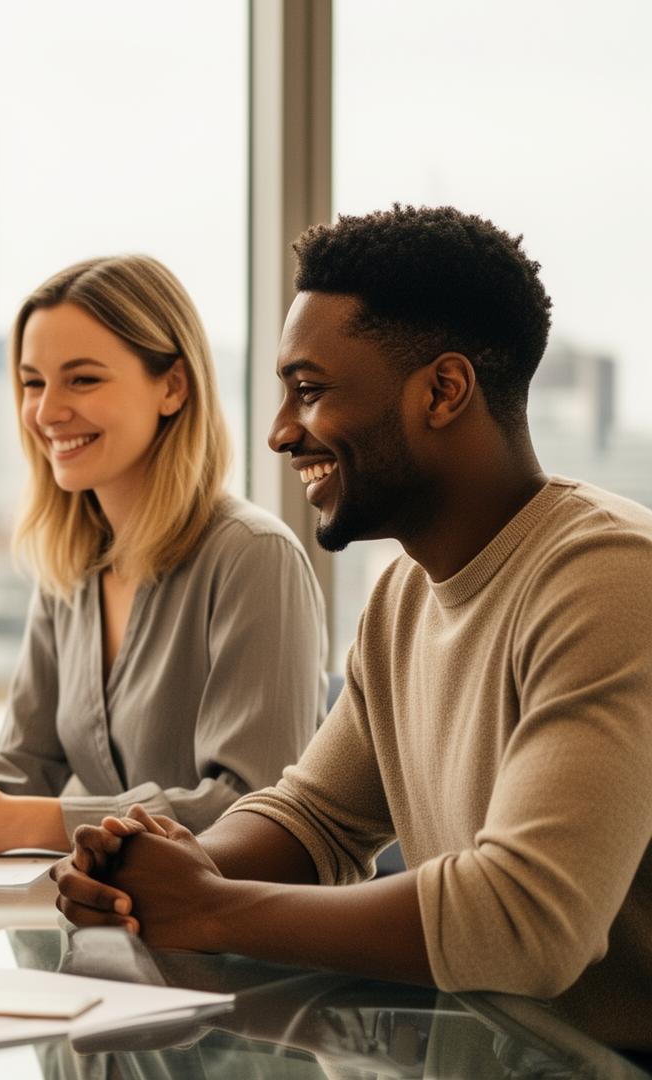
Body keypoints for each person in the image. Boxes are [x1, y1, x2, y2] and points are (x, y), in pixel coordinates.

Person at [52, 206, 652, 1050]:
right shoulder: (405, 592)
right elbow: (316, 821)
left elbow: (528, 919)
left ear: (443, 391)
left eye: (311, 390)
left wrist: (215, 909)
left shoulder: (611, 578)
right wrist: (170, 866)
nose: (280, 431)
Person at [0, 255, 325, 856]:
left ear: (172, 386)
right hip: (124, 926)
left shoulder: (253, 557)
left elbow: (255, 808)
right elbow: (27, 761)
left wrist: (22, 823)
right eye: (33, 382)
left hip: (241, 938)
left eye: (82, 379)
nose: (47, 410)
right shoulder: (71, 566)